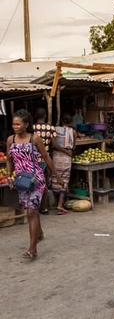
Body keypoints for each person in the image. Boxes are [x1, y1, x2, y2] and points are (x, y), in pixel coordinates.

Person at [6, 109, 56, 260]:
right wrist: (9, 175)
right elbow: (9, 159)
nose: (15, 126)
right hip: (21, 180)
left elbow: (46, 157)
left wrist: (57, 176)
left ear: (26, 124)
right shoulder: (11, 140)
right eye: (13, 124)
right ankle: (39, 234)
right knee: (31, 210)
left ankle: (32, 249)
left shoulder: (35, 139)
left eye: (18, 124)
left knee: (31, 213)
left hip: (36, 179)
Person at [49, 115, 74, 215]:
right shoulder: (73, 131)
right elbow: (74, 145)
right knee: (64, 179)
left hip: (56, 156)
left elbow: (54, 144)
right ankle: (60, 204)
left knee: (55, 178)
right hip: (67, 156)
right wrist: (66, 151)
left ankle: (54, 203)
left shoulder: (54, 129)